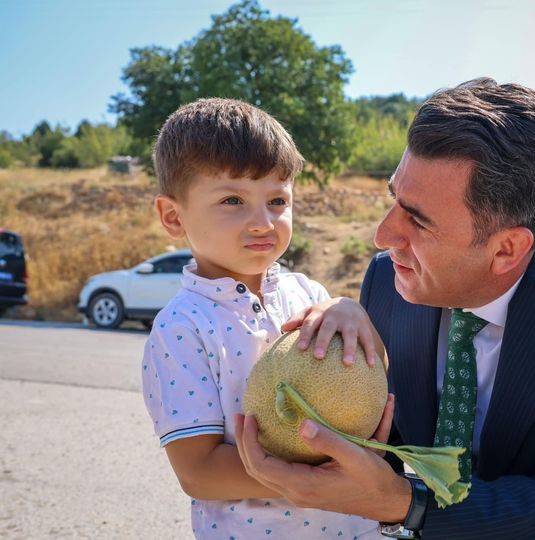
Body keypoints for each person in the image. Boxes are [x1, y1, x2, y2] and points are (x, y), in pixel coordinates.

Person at [236, 79, 535, 539]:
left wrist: (404, 505)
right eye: (394, 199)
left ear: (507, 249)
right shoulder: (387, 280)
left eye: (418, 219)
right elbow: (384, 448)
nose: (383, 236)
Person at [141, 97, 390, 539]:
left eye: (277, 200)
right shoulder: (182, 327)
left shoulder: (312, 295)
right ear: (173, 216)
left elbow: (369, 380)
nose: (263, 222)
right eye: (233, 200)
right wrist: (319, 469)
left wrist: (352, 311)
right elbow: (198, 472)